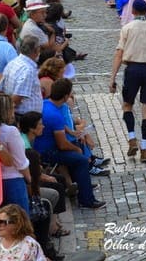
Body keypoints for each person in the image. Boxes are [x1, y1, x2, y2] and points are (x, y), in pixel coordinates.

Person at [108, 0, 146, 163]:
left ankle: (131, 137)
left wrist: (112, 78)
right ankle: (144, 148)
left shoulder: (127, 28)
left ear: (133, 11)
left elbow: (119, 53)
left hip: (132, 69)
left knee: (127, 105)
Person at [34, 79, 105, 210]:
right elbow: (62, 145)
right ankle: (86, 200)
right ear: (66, 96)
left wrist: (70, 132)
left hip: (41, 147)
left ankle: (82, 184)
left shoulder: (46, 104)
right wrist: (77, 149)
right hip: (48, 151)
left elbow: (60, 126)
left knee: (77, 151)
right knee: (81, 160)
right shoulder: (55, 114)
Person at [0, 36, 43, 115]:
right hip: (24, 116)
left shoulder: (13, 62)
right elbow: (17, 98)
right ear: (36, 50)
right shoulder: (28, 70)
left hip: (17, 113)